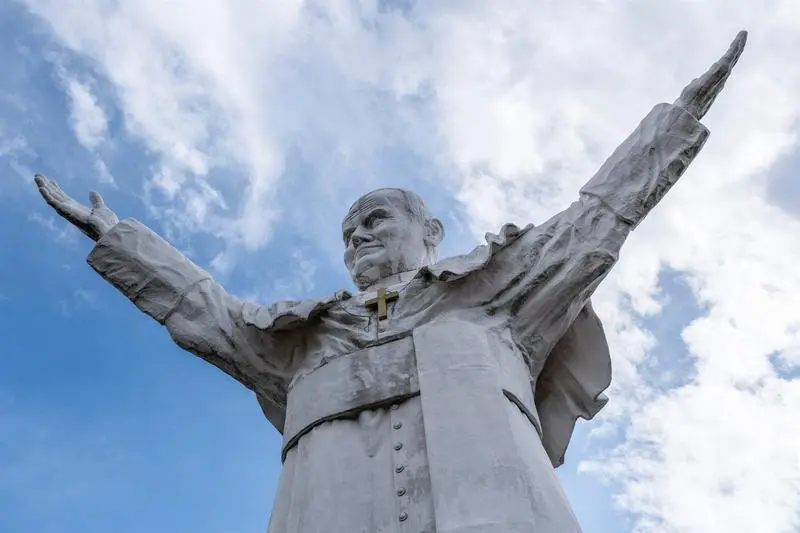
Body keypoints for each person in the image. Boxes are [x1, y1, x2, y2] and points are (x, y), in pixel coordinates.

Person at [34, 32, 747, 533]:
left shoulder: (496, 298)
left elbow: (591, 225)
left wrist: (674, 122)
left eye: (376, 220)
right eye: (348, 233)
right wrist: (121, 240)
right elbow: (209, 313)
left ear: (429, 231)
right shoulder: (303, 343)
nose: (359, 237)